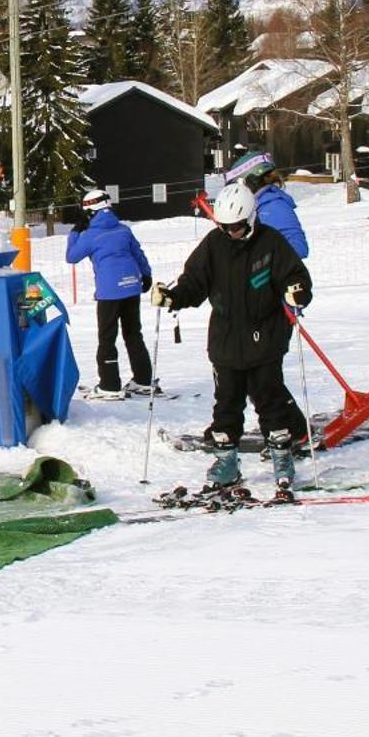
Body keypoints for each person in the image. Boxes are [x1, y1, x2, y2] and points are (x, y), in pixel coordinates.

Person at [149, 181, 314, 505]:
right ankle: (226, 463)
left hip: (265, 335)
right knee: (226, 403)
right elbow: (194, 283)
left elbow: (296, 276)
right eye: (226, 227)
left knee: (270, 399)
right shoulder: (214, 244)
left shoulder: (271, 244)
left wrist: (297, 291)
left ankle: (282, 458)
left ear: (251, 219)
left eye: (237, 227)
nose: (232, 233)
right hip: (225, 339)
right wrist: (173, 298)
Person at [66, 187, 159, 399]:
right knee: (133, 333)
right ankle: (144, 380)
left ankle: (109, 384)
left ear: (91, 212)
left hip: (109, 292)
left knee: (107, 338)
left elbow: (71, 257)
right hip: (132, 287)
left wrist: (74, 232)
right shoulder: (123, 230)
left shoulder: (90, 235)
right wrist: (146, 275)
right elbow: (138, 253)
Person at [224, 150, 309, 258]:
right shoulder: (255, 205)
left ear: (251, 181)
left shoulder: (274, 206)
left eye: (238, 186)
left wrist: (259, 258)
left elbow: (299, 248)